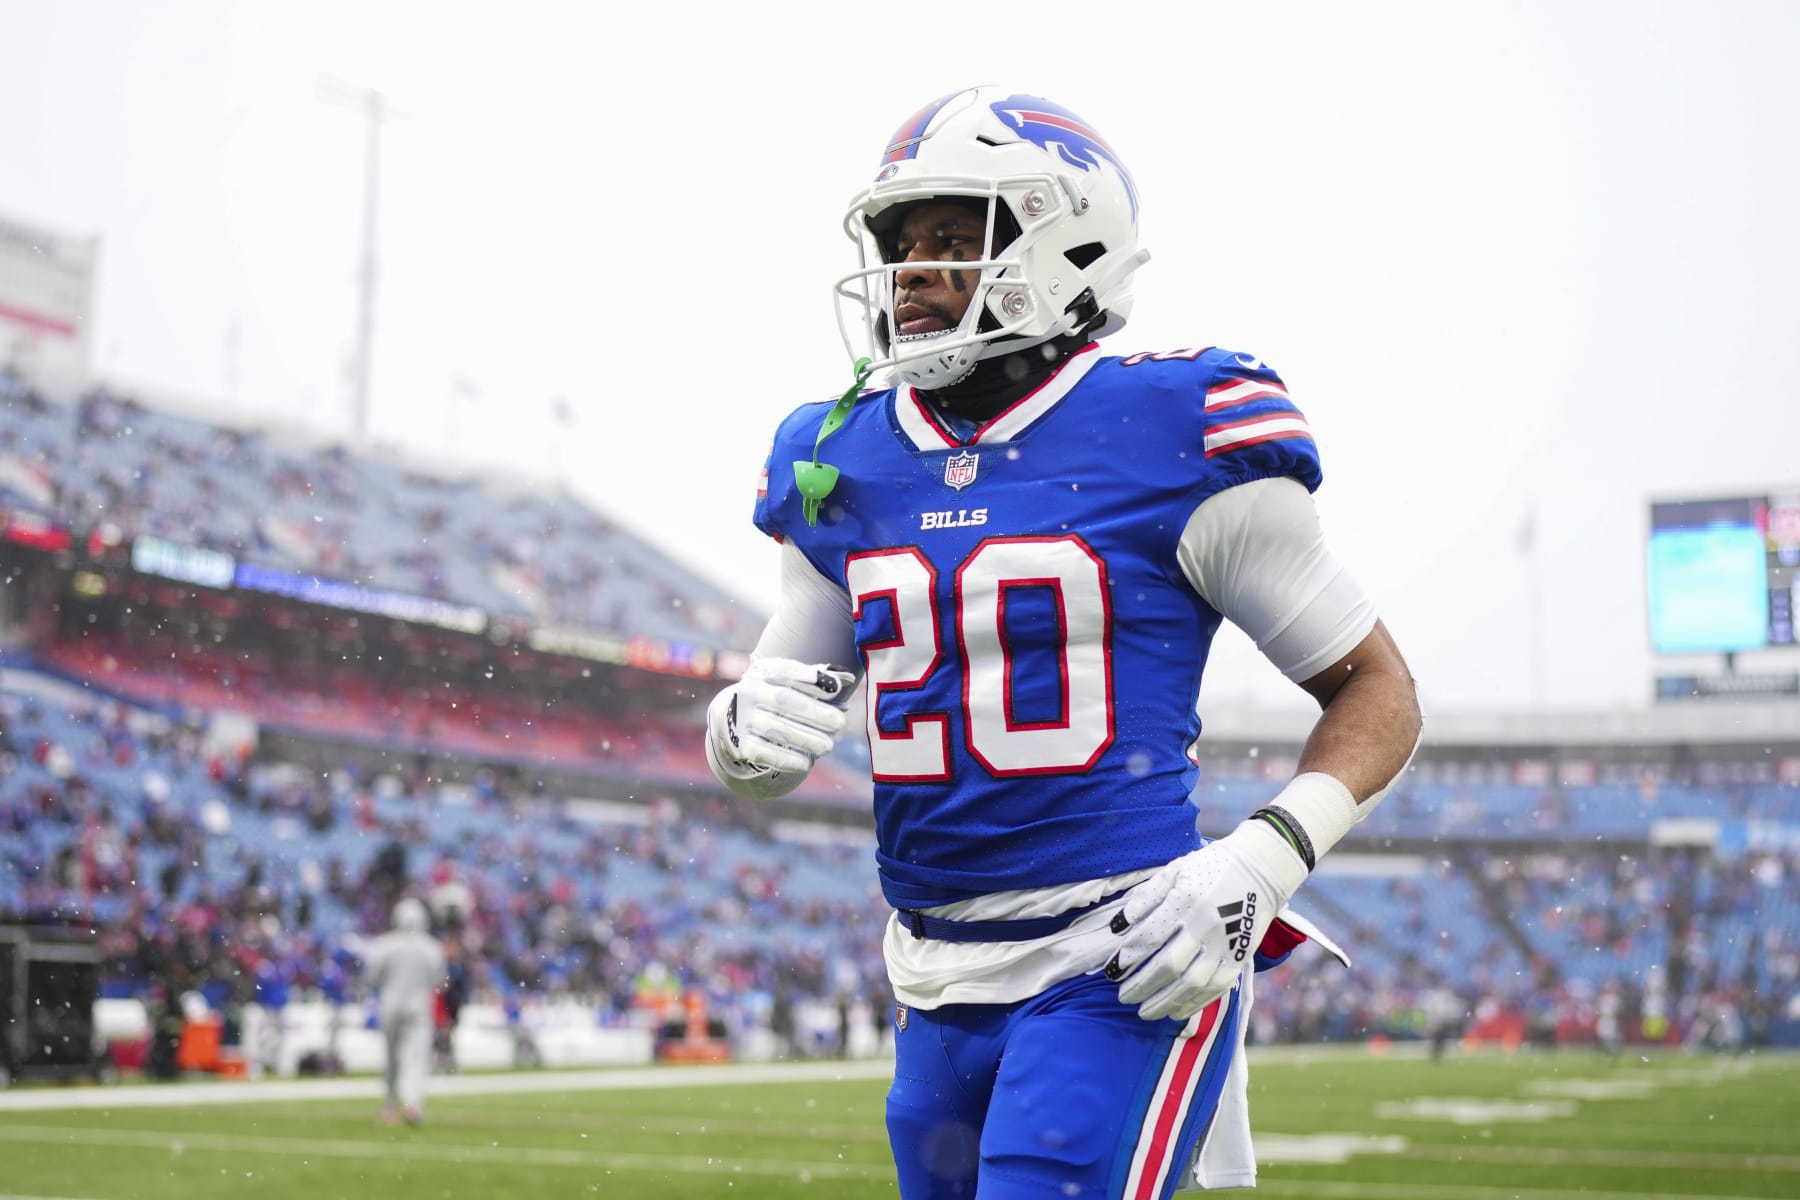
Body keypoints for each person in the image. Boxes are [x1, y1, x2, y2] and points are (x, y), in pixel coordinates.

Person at [704, 85, 1423, 1198]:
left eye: (956, 237)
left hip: (1123, 956)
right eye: (902, 246)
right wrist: (738, 732)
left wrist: (1263, 858)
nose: (915, 273)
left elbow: (1377, 689)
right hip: (931, 976)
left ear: (1069, 238)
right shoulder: (838, 452)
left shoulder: (1178, 424)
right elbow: (788, 700)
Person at [361, 896, 446, 1126]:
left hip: (390, 1004)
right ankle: (412, 1103)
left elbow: (372, 977)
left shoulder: (384, 945)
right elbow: (438, 980)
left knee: (390, 1058)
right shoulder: (432, 947)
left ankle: (390, 1105)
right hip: (419, 1007)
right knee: (416, 1057)